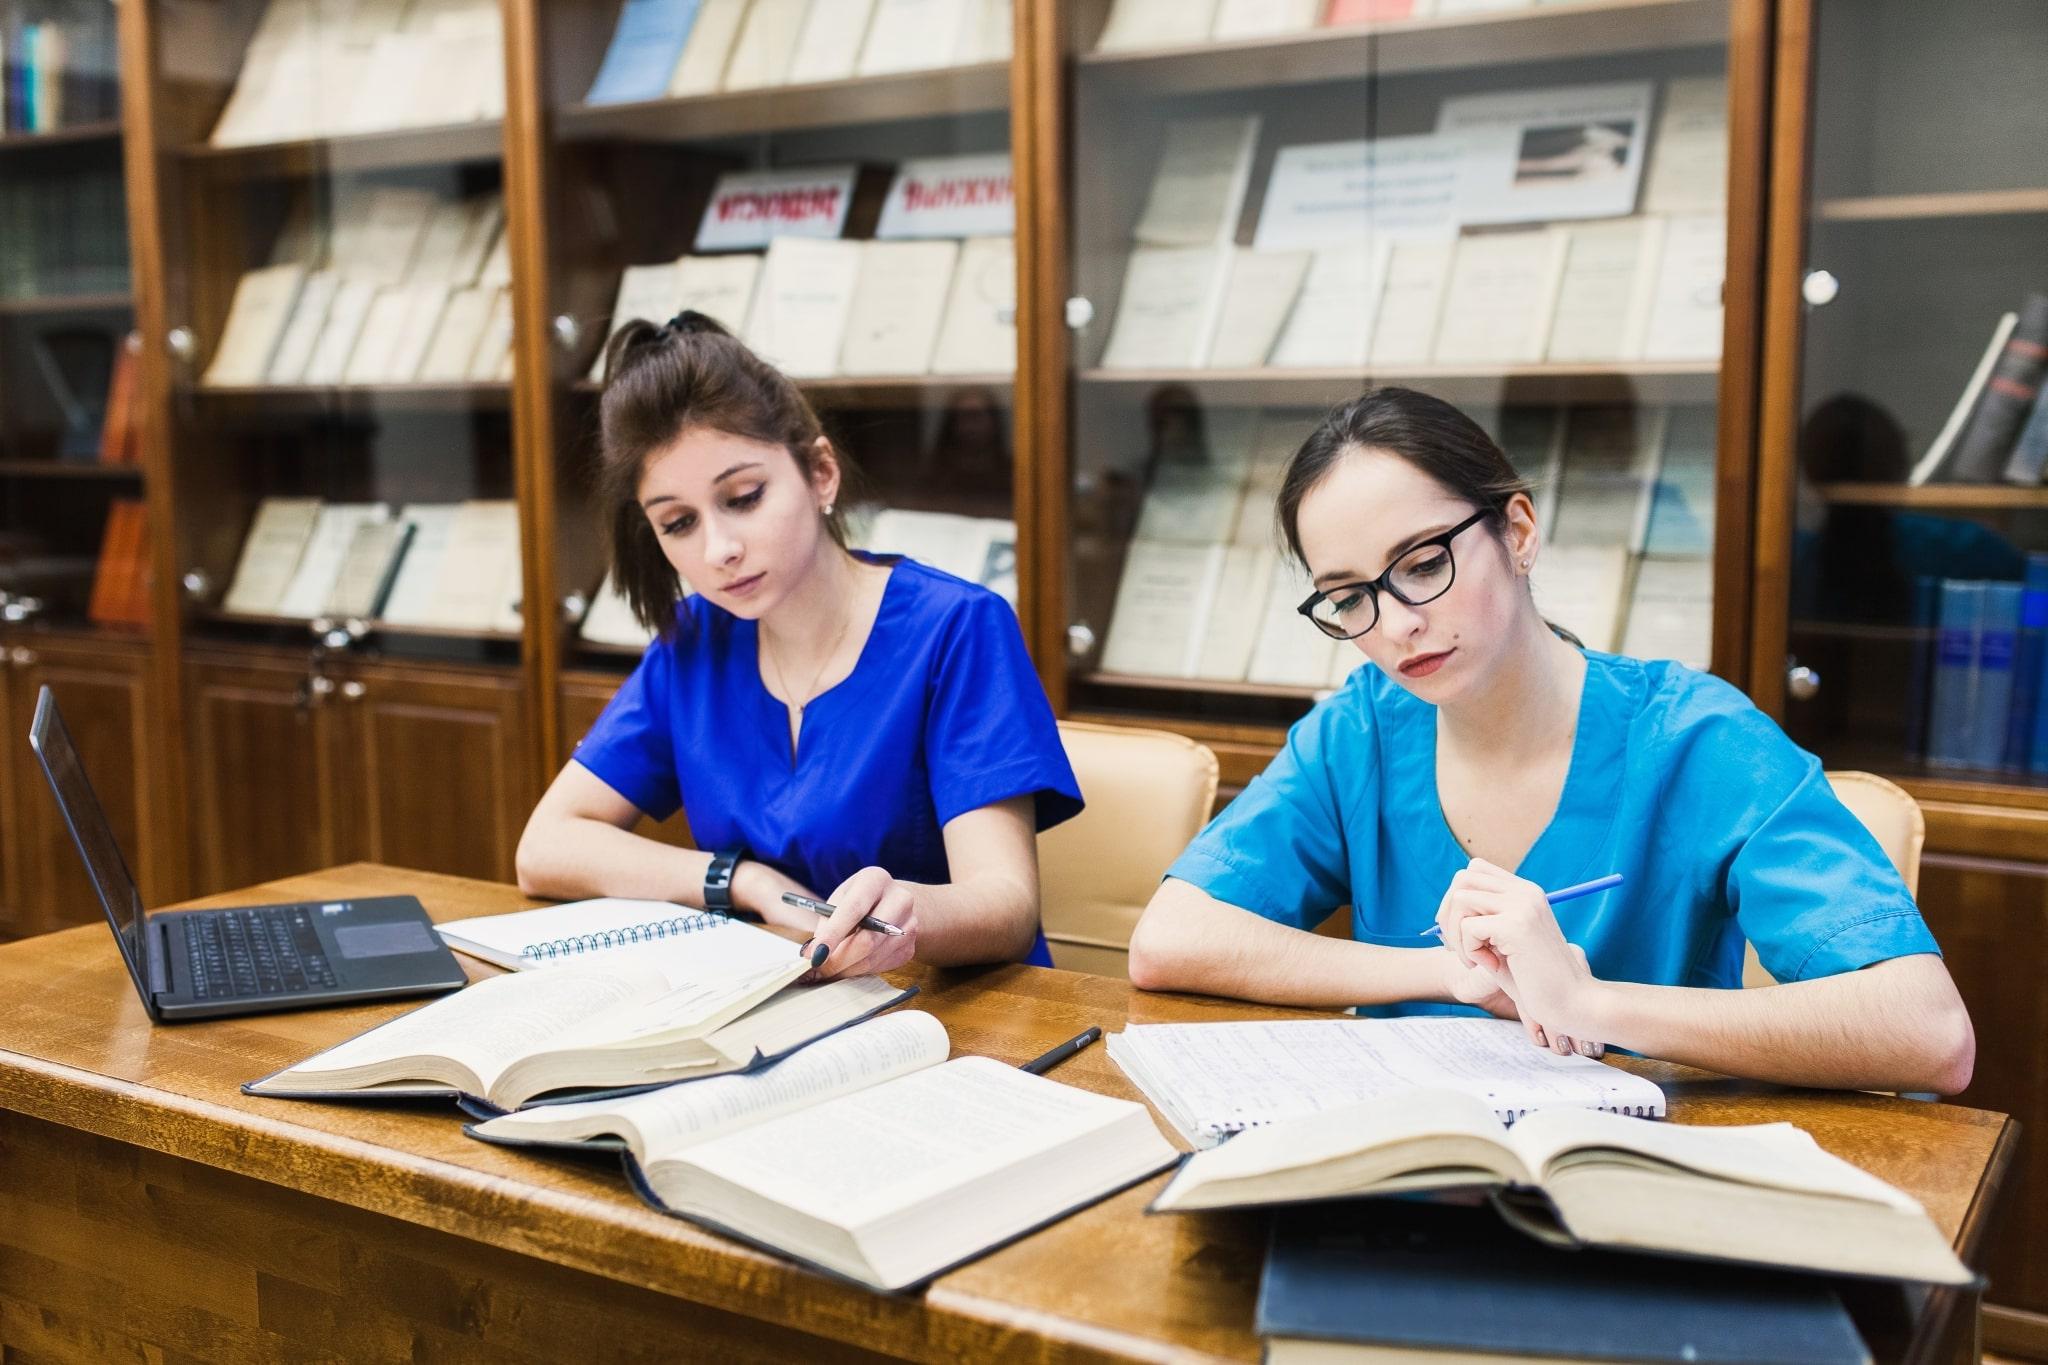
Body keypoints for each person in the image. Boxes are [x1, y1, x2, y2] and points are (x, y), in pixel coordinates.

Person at [1127, 387, 1975, 1094]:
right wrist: (1447, 975)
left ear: (1519, 531)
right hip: (1404, 1185)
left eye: (1423, 564)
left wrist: (1585, 1002)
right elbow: (1172, 939)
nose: (1395, 625)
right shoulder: (1361, 731)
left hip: (1631, 1189)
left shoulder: (1697, 739)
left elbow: (1928, 1031)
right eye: (1349, 597)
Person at [517, 311, 1081, 980]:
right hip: (781, 1009)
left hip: (954, 1013)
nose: (719, 549)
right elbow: (545, 847)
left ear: (819, 473)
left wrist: (904, 916)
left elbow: (1007, 904)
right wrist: (741, 880)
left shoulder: (957, 627)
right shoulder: (693, 641)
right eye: (678, 523)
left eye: (745, 497)